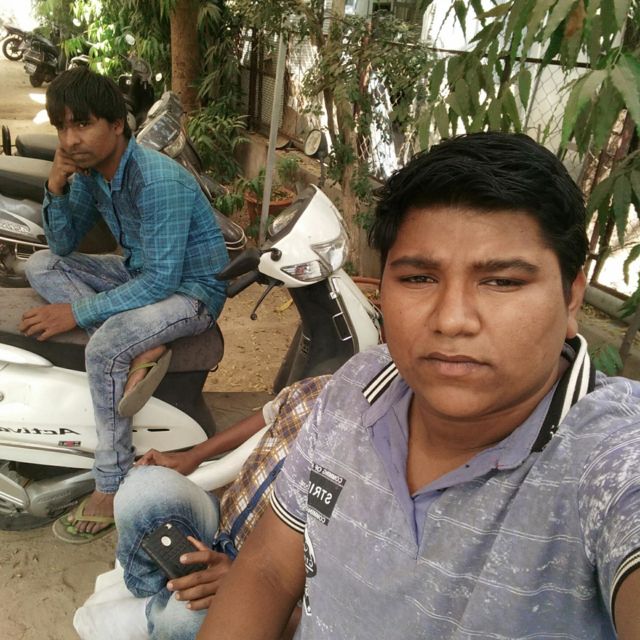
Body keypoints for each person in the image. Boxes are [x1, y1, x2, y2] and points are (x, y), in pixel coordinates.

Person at [196, 132, 640, 640]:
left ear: (572, 297)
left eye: (502, 281)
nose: (451, 320)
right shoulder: (353, 390)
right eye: (419, 278)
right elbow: (269, 571)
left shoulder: (609, 460)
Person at [17, 68, 229, 542]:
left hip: (192, 293)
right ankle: (141, 345)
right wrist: (56, 185)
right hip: (140, 273)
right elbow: (62, 245)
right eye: (62, 127)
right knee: (41, 264)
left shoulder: (157, 180)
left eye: (82, 124)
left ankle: (110, 483)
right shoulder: (92, 175)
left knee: (105, 345)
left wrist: (76, 312)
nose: (70, 140)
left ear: (117, 125)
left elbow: (162, 280)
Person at [110, 376, 329, 640]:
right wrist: (193, 455)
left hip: (268, 583)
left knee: (184, 619)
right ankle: (150, 595)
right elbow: (265, 416)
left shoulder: (371, 481)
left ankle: (155, 615)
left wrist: (244, 586)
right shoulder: (321, 387)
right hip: (221, 524)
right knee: (141, 488)